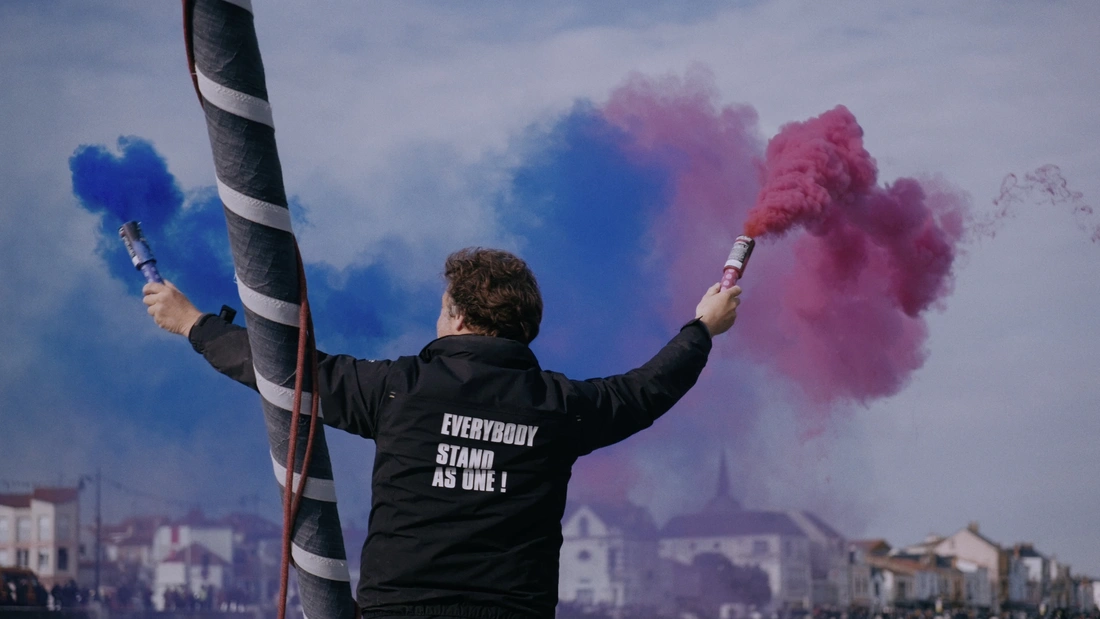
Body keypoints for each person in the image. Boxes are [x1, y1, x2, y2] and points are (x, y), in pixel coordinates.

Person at [143, 247, 741, 619]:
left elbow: (288, 371)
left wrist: (194, 323)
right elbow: (646, 390)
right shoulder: (561, 407)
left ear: (456, 316)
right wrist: (702, 329)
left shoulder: (395, 389)